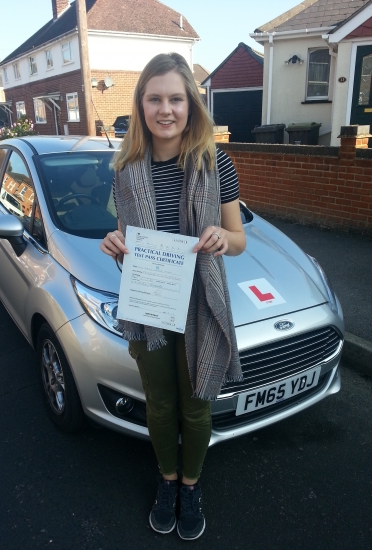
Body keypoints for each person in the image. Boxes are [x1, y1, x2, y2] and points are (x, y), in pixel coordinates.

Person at [100, 52, 246, 541]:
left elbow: (239, 237)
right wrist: (115, 243)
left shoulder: (214, 162)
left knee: (196, 406)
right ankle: (167, 482)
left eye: (176, 99)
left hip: (200, 303)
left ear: (192, 104)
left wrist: (224, 240)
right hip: (149, 304)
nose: (166, 109)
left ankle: (190, 485)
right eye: (155, 98)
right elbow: (126, 242)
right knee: (160, 406)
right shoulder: (125, 169)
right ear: (141, 105)